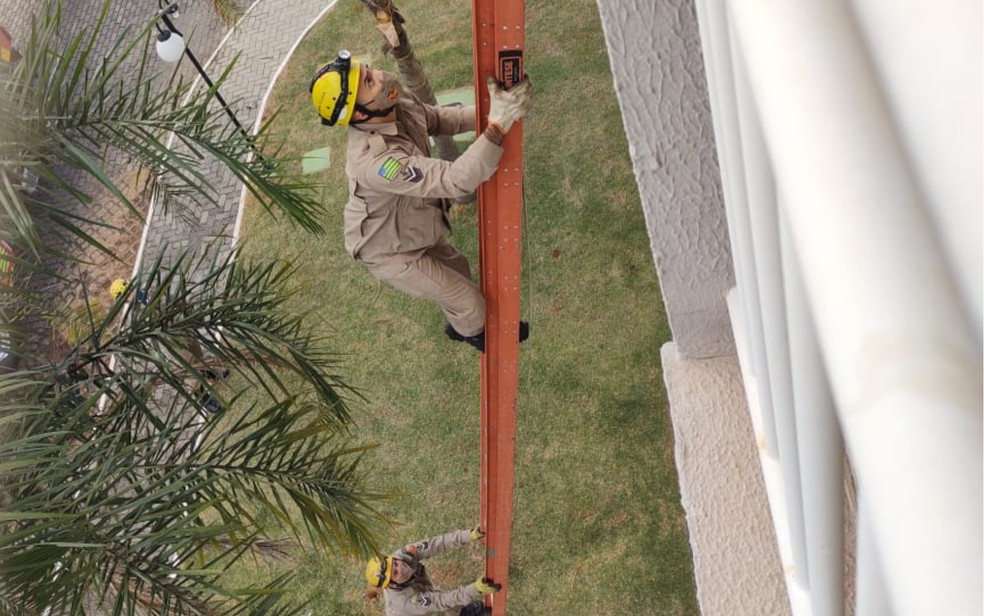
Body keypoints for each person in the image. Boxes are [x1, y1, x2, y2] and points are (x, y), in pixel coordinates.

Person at [309, 51, 533, 352]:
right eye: (370, 81)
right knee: (465, 299)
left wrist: (492, 112)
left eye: (369, 70)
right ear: (360, 113)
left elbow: (440, 119)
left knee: (458, 268)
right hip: (387, 251)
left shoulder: (395, 102)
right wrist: (497, 127)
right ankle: (481, 337)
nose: (380, 74)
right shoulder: (376, 162)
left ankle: (459, 326)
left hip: (411, 225)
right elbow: (455, 179)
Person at [364, 527, 500, 615]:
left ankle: (461, 613)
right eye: (395, 573)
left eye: (396, 564)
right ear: (391, 585)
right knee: (439, 599)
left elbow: (435, 544)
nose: (401, 567)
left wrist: (467, 536)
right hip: (409, 610)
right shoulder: (405, 602)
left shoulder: (403, 555)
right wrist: (475, 589)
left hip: (417, 590)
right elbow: (439, 601)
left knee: (438, 595)